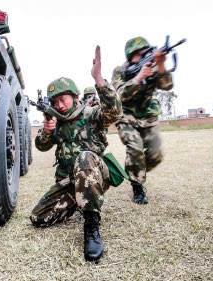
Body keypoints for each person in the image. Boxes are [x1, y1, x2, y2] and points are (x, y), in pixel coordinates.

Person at [30, 46, 122, 262]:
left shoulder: (91, 114)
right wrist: (47, 131)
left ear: (75, 96)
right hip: (70, 181)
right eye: (55, 102)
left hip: (95, 174)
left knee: (85, 157)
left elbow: (115, 112)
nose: (60, 106)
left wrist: (98, 79)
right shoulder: (57, 122)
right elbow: (41, 146)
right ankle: (80, 201)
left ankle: (91, 224)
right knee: (38, 217)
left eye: (63, 99)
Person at [111, 36, 173, 204]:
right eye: (138, 54)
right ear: (130, 57)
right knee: (135, 149)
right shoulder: (119, 71)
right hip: (126, 117)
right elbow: (118, 96)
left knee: (156, 156)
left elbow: (167, 85)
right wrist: (138, 78)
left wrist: (160, 65)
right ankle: (137, 186)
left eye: (145, 52)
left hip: (148, 115)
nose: (143, 55)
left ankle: (133, 169)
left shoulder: (152, 67)